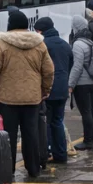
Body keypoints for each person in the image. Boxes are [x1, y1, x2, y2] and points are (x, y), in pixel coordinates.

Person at [0, 6, 54, 178]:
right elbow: (48, 70)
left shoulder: (2, 43)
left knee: (8, 135)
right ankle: (33, 169)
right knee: (31, 134)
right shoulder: (39, 43)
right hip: (33, 98)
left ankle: (7, 170)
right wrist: (45, 90)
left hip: (8, 98)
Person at [35, 16, 72, 165]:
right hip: (62, 88)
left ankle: (48, 151)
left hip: (49, 89)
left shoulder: (43, 45)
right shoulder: (64, 44)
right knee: (58, 120)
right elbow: (70, 63)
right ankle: (61, 153)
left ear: (41, 30)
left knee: (46, 122)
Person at [67, 14, 93, 151]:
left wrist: (71, 84)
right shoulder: (92, 41)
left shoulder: (78, 44)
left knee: (86, 112)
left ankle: (87, 141)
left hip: (83, 83)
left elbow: (77, 66)